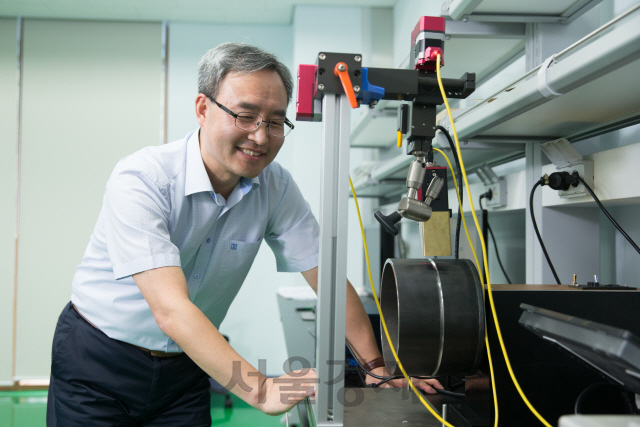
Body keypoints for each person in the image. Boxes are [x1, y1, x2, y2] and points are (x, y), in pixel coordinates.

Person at [46, 42, 441, 426]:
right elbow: (170, 309)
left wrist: (378, 369)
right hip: (98, 358)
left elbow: (330, 278)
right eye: (246, 116)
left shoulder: (276, 187)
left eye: (274, 121)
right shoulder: (142, 179)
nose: (260, 136)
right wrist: (260, 390)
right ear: (203, 109)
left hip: (186, 366)